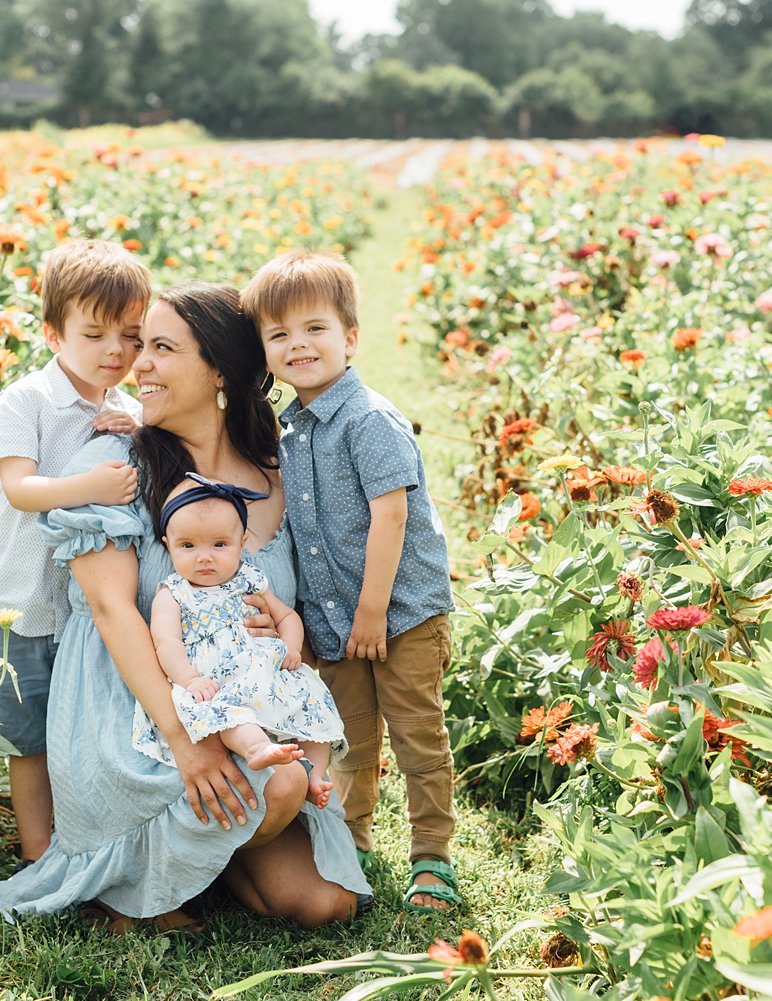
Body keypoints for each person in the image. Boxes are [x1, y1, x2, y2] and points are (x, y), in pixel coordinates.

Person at [0, 282, 368, 931]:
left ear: (220, 370)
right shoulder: (115, 466)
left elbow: (296, 605)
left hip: (252, 719)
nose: (139, 364)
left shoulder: (275, 468)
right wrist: (185, 742)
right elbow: (114, 615)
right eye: (144, 346)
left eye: (162, 348)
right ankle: (142, 862)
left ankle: (197, 855)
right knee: (274, 787)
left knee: (323, 903)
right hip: (134, 716)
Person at [240, 250, 460, 913]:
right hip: (339, 620)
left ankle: (433, 855)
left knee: (418, 734)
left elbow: (390, 516)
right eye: (279, 335)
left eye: (314, 329)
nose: (297, 345)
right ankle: (353, 838)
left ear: (351, 338)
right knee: (351, 737)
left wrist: (372, 609)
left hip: (402, 611)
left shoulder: (368, 418)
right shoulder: (293, 426)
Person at [0, 239, 148, 867]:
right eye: (94, 334)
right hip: (20, 603)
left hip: (85, 610)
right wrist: (91, 486)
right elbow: (21, 489)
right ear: (53, 334)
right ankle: (38, 853)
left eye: (130, 337)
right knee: (28, 737)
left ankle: (83, 841)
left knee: (78, 728)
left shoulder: (128, 410)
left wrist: (140, 435)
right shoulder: (29, 401)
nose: (114, 352)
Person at [133, 473, 345, 810]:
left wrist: (291, 646)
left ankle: (314, 774)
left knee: (312, 704)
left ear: (242, 541)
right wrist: (190, 679)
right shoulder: (173, 594)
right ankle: (257, 748)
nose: (204, 557)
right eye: (188, 546)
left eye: (219, 545)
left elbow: (287, 616)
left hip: (267, 673)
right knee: (230, 714)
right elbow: (166, 642)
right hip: (217, 682)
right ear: (168, 544)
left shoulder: (250, 580)